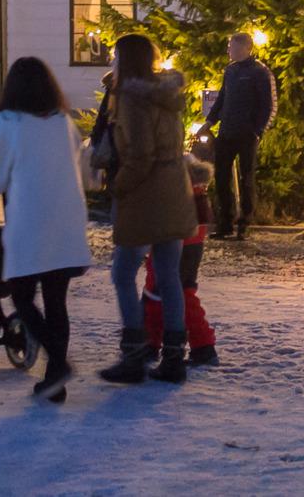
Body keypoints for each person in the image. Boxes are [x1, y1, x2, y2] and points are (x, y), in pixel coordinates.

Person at [0, 56, 91, 403]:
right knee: (56, 302)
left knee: (22, 296)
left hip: (31, 221)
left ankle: (59, 362)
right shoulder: (62, 121)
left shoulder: (9, 122)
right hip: (66, 219)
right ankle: (55, 382)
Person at [94, 33, 195, 384]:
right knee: (169, 277)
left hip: (145, 195)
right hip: (174, 191)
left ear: (124, 59)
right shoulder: (166, 94)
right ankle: (173, 359)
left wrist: (116, 190)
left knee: (123, 272)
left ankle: (134, 355)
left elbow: (139, 155)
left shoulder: (133, 99)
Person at [141, 156, 220, 366]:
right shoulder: (195, 191)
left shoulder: (171, 180)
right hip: (187, 243)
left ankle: (201, 345)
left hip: (175, 242)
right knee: (165, 294)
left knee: (171, 294)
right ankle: (151, 341)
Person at [201, 33, 276, 240]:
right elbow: (222, 99)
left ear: (245, 48)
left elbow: (267, 105)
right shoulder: (231, 71)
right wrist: (209, 122)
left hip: (246, 134)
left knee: (246, 178)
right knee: (222, 177)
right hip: (226, 132)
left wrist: (257, 131)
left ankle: (245, 223)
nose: (228, 51)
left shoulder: (259, 72)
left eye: (232, 47)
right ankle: (225, 222)